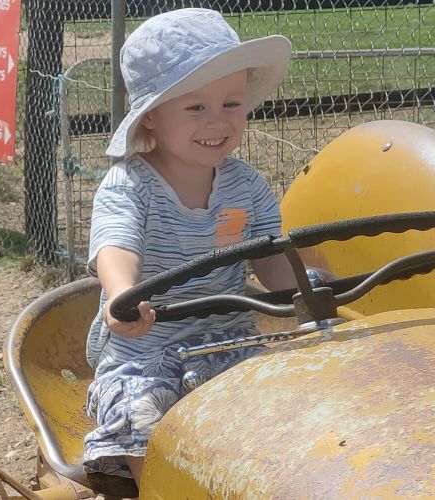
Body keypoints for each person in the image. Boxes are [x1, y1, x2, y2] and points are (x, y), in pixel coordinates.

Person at [82, 8, 306, 483]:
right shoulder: (129, 186)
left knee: (296, 399)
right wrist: (123, 297)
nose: (217, 122)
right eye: (195, 107)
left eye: (230, 104)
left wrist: (309, 290)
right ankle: (156, 488)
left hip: (231, 344)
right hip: (146, 357)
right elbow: (116, 246)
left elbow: (270, 260)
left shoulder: (246, 185)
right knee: (142, 414)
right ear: (150, 120)